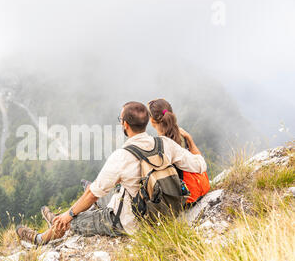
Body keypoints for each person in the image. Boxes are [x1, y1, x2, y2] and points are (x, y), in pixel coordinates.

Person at [16, 101, 207, 244]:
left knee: (75, 220)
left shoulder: (122, 156)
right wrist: (189, 139)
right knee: (96, 190)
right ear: (146, 123)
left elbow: (92, 195)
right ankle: (58, 218)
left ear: (125, 124)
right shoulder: (165, 144)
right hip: (163, 208)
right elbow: (200, 165)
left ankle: (41, 238)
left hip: (129, 221)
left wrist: (69, 214)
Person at [147, 99, 210, 206]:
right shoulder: (180, 135)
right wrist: (189, 139)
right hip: (192, 190)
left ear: (152, 121)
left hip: (186, 197)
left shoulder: (160, 145)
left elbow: (201, 165)